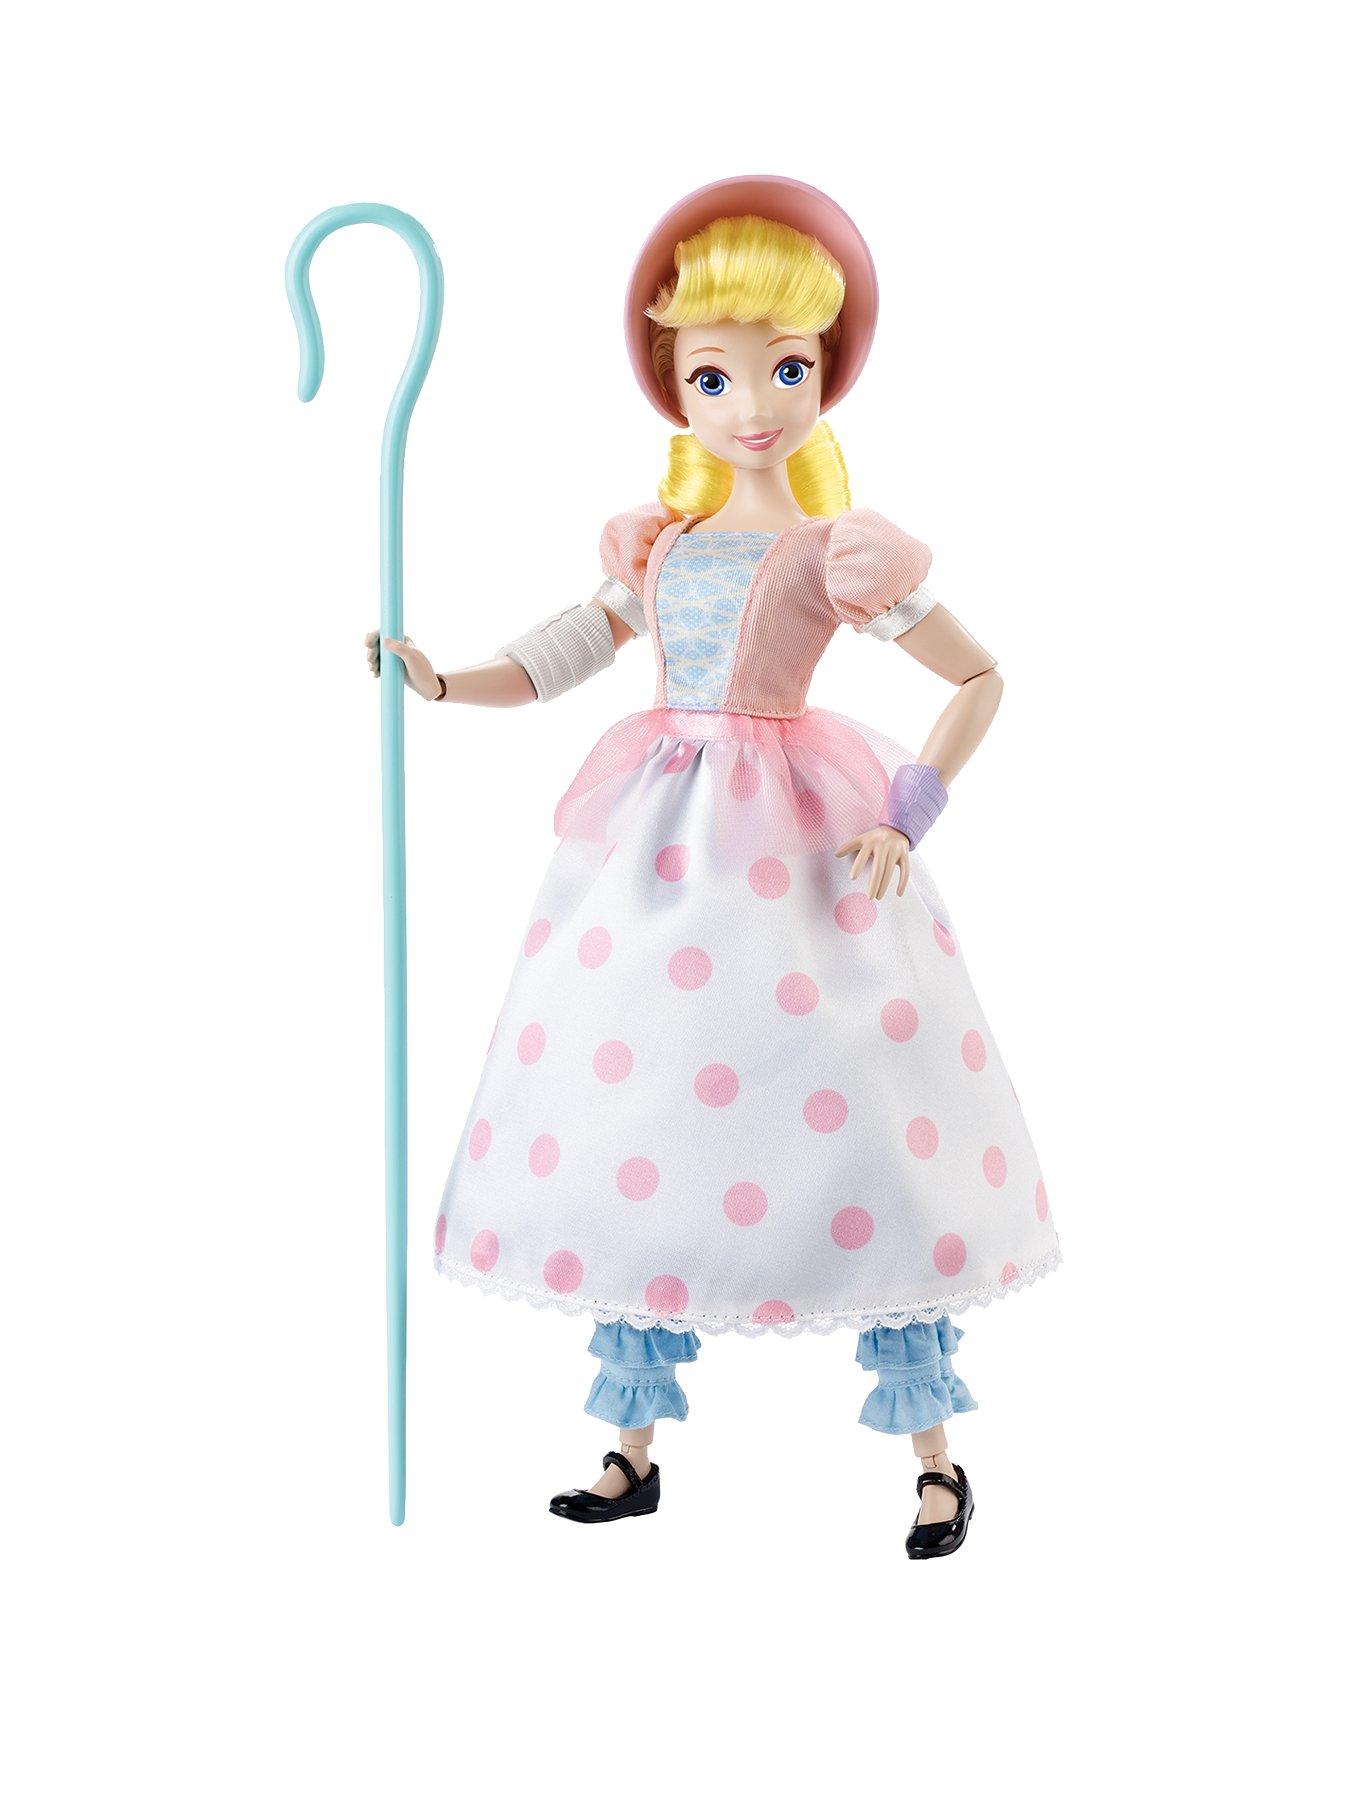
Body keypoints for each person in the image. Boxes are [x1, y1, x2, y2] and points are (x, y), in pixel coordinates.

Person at [369, 176, 1059, 1556]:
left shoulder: (835, 553)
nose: (751, 404)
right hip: (656, 863)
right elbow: (565, 651)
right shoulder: (659, 544)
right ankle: (630, 1448)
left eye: (785, 370)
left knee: (858, 1116)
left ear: (823, 378)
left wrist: (905, 814)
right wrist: (438, 680)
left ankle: (934, 1457)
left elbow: (978, 676)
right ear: (675, 386)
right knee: (644, 1107)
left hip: (802, 854)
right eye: (714, 375)